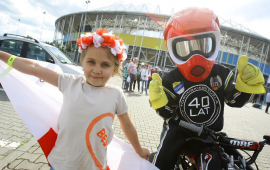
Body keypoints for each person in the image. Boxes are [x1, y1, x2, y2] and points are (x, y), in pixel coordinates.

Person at [0, 29, 150, 170]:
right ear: (82, 62)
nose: (96, 70)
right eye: (91, 62)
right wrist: (2, 55)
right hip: (60, 164)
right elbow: (34, 68)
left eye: (105, 65)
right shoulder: (70, 82)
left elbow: (128, 126)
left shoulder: (116, 94)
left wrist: (138, 149)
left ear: (114, 70)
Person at [148, 8, 265, 170]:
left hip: (210, 135)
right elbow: (167, 113)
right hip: (181, 133)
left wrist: (246, 87)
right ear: (172, 48)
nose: (196, 55)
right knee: (161, 163)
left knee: (238, 162)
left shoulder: (222, 74)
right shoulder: (171, 79)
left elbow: (235, 100)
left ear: (215, 42)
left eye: (203, 45)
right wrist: (159, 102)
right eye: (185, 47)